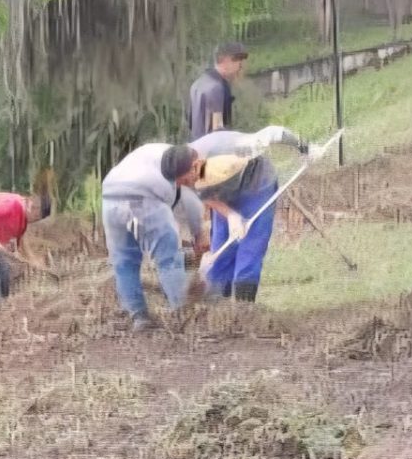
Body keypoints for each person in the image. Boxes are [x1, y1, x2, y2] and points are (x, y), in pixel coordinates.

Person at [161, 126, 318, 303]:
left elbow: (274, 133)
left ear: (195, 166)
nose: (184, 186)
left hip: (257, 186)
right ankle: (215, 307)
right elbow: (204, 196)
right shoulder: (182, 166)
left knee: (250, 247)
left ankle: (243, 310)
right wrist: (231, 216)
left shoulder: (235, 150)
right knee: (221, 250)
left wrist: (305, 147)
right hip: (225, 196)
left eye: (186, 181)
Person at [101, 143, 206, 331]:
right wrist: (199, 237)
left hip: (110, 199)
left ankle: (138, 316)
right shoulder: (173, 178)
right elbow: (191, 208)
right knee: (169, 258)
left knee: (124, 261)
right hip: (143, 199)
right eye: (183, 179)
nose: (187, 181)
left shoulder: (161, 153)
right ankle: (183, 314)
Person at [188, 41, 249, 139]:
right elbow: (218, 130)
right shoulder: (217, 87)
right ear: (225, 60)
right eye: (238, 59)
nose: (241, 65)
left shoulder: (197, 83)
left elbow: (191, 123)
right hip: (212, 150)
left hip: (196, 145)